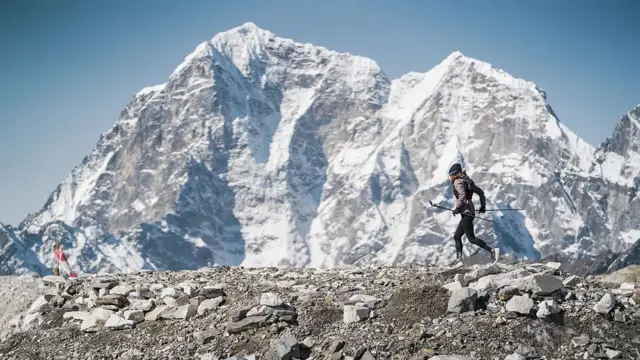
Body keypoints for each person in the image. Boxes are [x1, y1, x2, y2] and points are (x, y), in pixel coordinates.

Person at [448, 163, 500, 267]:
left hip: (466, 213)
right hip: (469, 212)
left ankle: (493, 250)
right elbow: (481, 192)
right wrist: (483, 206)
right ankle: (459, 260)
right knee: (457, 236)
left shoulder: (458, 181)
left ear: (453, 175)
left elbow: (462, 195)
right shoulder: (467, 180)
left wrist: (457, 208)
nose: (450, 178)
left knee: (471, 238)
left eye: (450, 176)